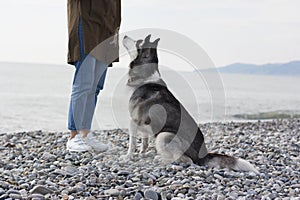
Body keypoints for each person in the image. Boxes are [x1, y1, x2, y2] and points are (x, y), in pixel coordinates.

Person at [66, 0, 121, 152]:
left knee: (95, 86)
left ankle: (85, 133)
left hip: (107, 24)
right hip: (86, 21)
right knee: (84, 83)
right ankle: (74, 135)